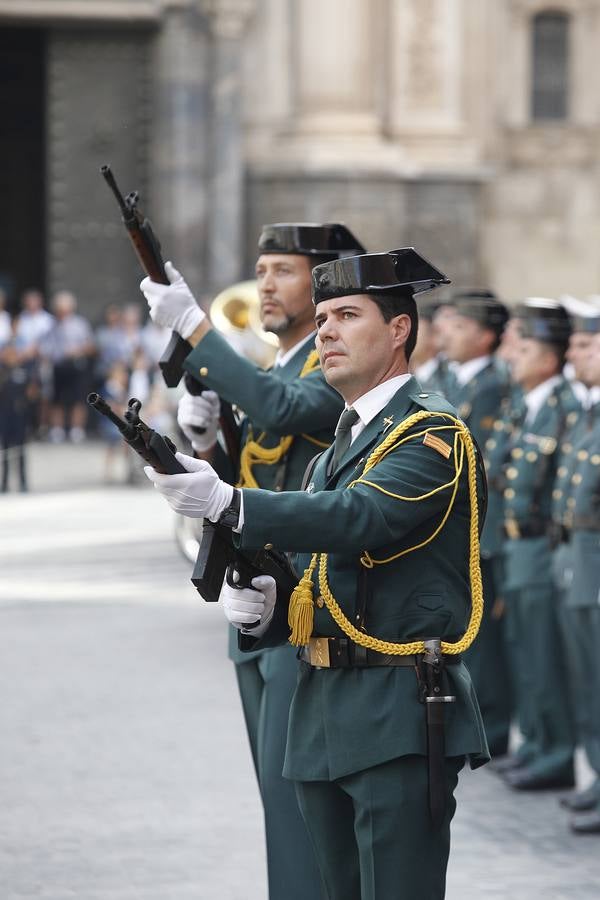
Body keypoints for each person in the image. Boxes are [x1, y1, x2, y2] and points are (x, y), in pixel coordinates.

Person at [143, 248, 489, 900]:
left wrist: (232, 503)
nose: (325, 330)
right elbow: (316, 577)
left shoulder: (431, 434)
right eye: (322, 316)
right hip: (321, 711)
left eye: (347, 315)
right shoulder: (336, 450)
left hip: (394, 711)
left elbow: (360, 518)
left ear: (399, 330)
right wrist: (270, 609)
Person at [142, 222, 365, 900]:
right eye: (261, 269)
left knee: (300, 805)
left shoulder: (328, 370)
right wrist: (208, 443)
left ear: (324, 278)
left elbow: (285, 410)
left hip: (304, 606)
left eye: (282, 271)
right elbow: (254, 476)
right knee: (280, 802)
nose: (265, 284)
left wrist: (198, 332)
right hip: (258, 603)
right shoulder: (280, 364)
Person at [497, 300, 579, 790]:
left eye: (523, 349)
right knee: (525, 654)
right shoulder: (526, 404)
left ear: (550, 357)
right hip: (514, 548)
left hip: (542, 550)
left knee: (547, 658)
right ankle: (538, 742)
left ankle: (558, 752)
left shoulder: (563, 407)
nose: (513, 357)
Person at [551, 316, 600, 830]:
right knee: (587, 681)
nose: (574, 355)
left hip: (595, 565)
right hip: (576, 561)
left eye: (587, 345)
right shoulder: (587, 413)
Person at [41, 291, 95, 443]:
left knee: (79, 398)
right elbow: (46, 346)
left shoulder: (80, 324)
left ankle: (76, 429)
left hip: (76, 365)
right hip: (58, 366)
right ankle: (57, 429)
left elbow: (90, 346)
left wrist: (78, 350)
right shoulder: (51, 324)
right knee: (57, 398)